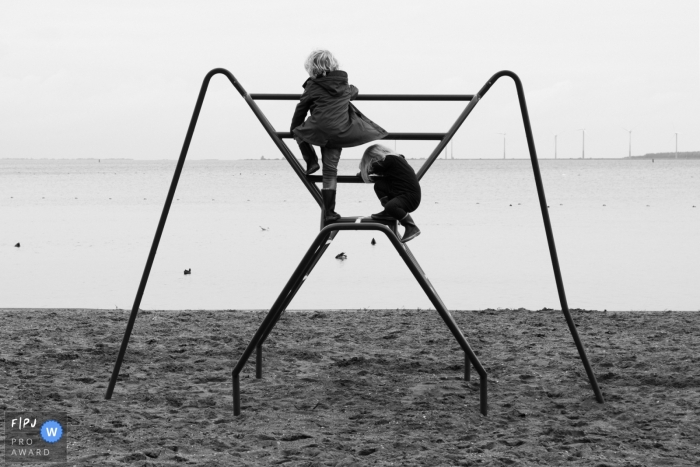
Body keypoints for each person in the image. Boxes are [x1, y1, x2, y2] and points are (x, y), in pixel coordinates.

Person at [291, 50, 387, 223]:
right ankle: (330, 213)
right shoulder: (344, 84)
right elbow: (354, 91)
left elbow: (301, 108)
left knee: (297, 131)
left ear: (312, 68)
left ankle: (311, 161)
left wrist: (294, 129)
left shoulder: (312, 86)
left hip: (318, 129)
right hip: (341, 133)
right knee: (330, 171)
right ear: (334, 65)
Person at [359, 144, 421, 243]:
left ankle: (411, 226)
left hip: (409, 197)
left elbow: (372, 168)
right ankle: (389, 213)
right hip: (400, 193)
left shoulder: (390, 159)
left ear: (376, 155)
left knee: (391, 206)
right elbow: (379, 169)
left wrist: (363, 168)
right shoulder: (393, 161)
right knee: (379, 185)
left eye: (372, 159)